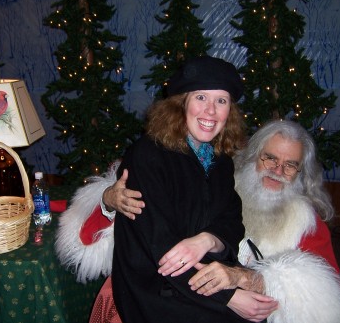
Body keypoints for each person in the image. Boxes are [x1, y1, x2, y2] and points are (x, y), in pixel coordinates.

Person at [56, 120, 340, 320]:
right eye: (270, 158)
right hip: (167, 292)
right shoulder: (214, 181)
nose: (278, 169)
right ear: (253, 157)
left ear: (302, 174)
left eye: (291, 165)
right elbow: (88, 240)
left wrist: (253, 280)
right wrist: (109, 202)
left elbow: (320, 299)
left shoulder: (307, 224)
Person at [57, 55, 277, 322]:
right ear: (181, 103)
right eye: (200, 98)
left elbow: (231, 221)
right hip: (155, 285)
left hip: (200, 269)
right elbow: (160, 248)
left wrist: (207, 239)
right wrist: (229, 298)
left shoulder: (220, 161)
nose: (211, 111)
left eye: (221, 101)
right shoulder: (148, 155)